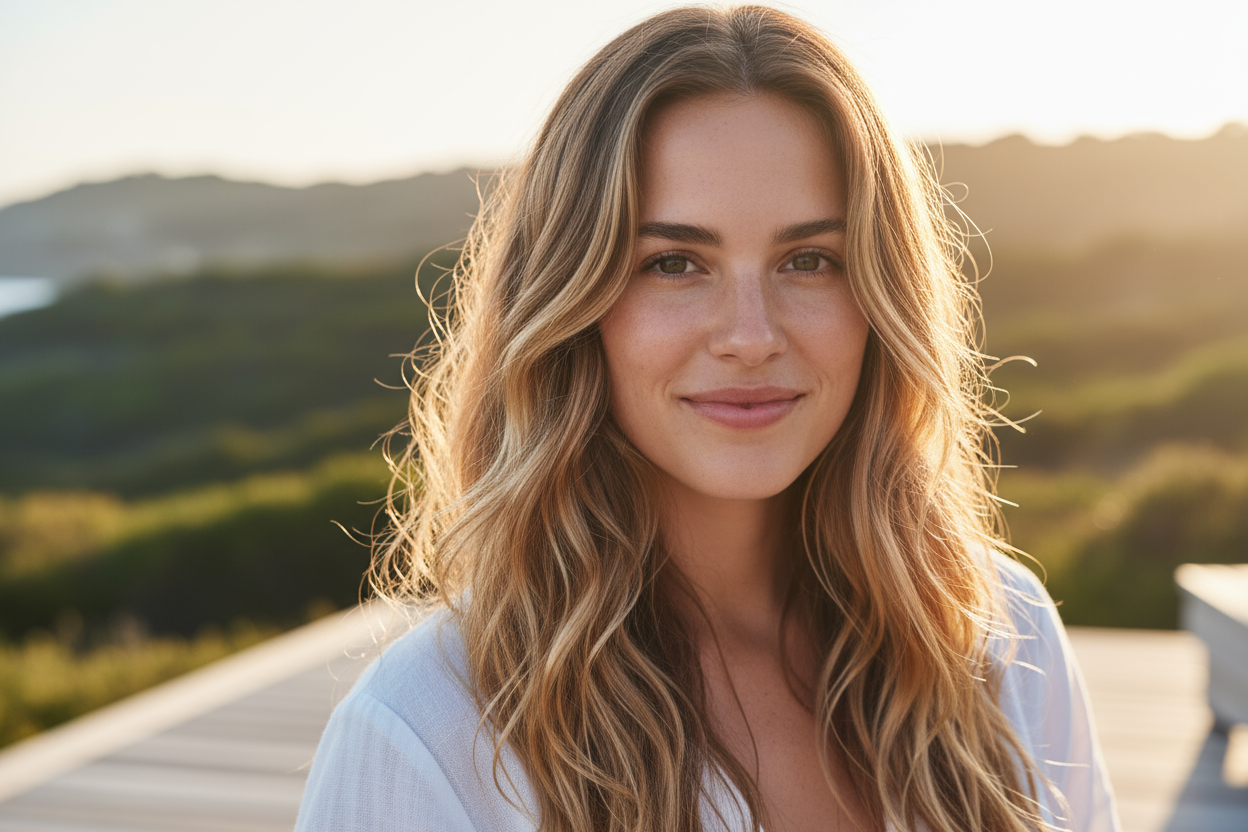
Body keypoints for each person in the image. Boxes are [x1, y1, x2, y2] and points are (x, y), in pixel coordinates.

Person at [295, 6, 1120, 831]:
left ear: (881, 299)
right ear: (570, 307)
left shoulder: (999, 635)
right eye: (674, 263)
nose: (752, 336)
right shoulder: (428, 732)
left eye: (809, 260)